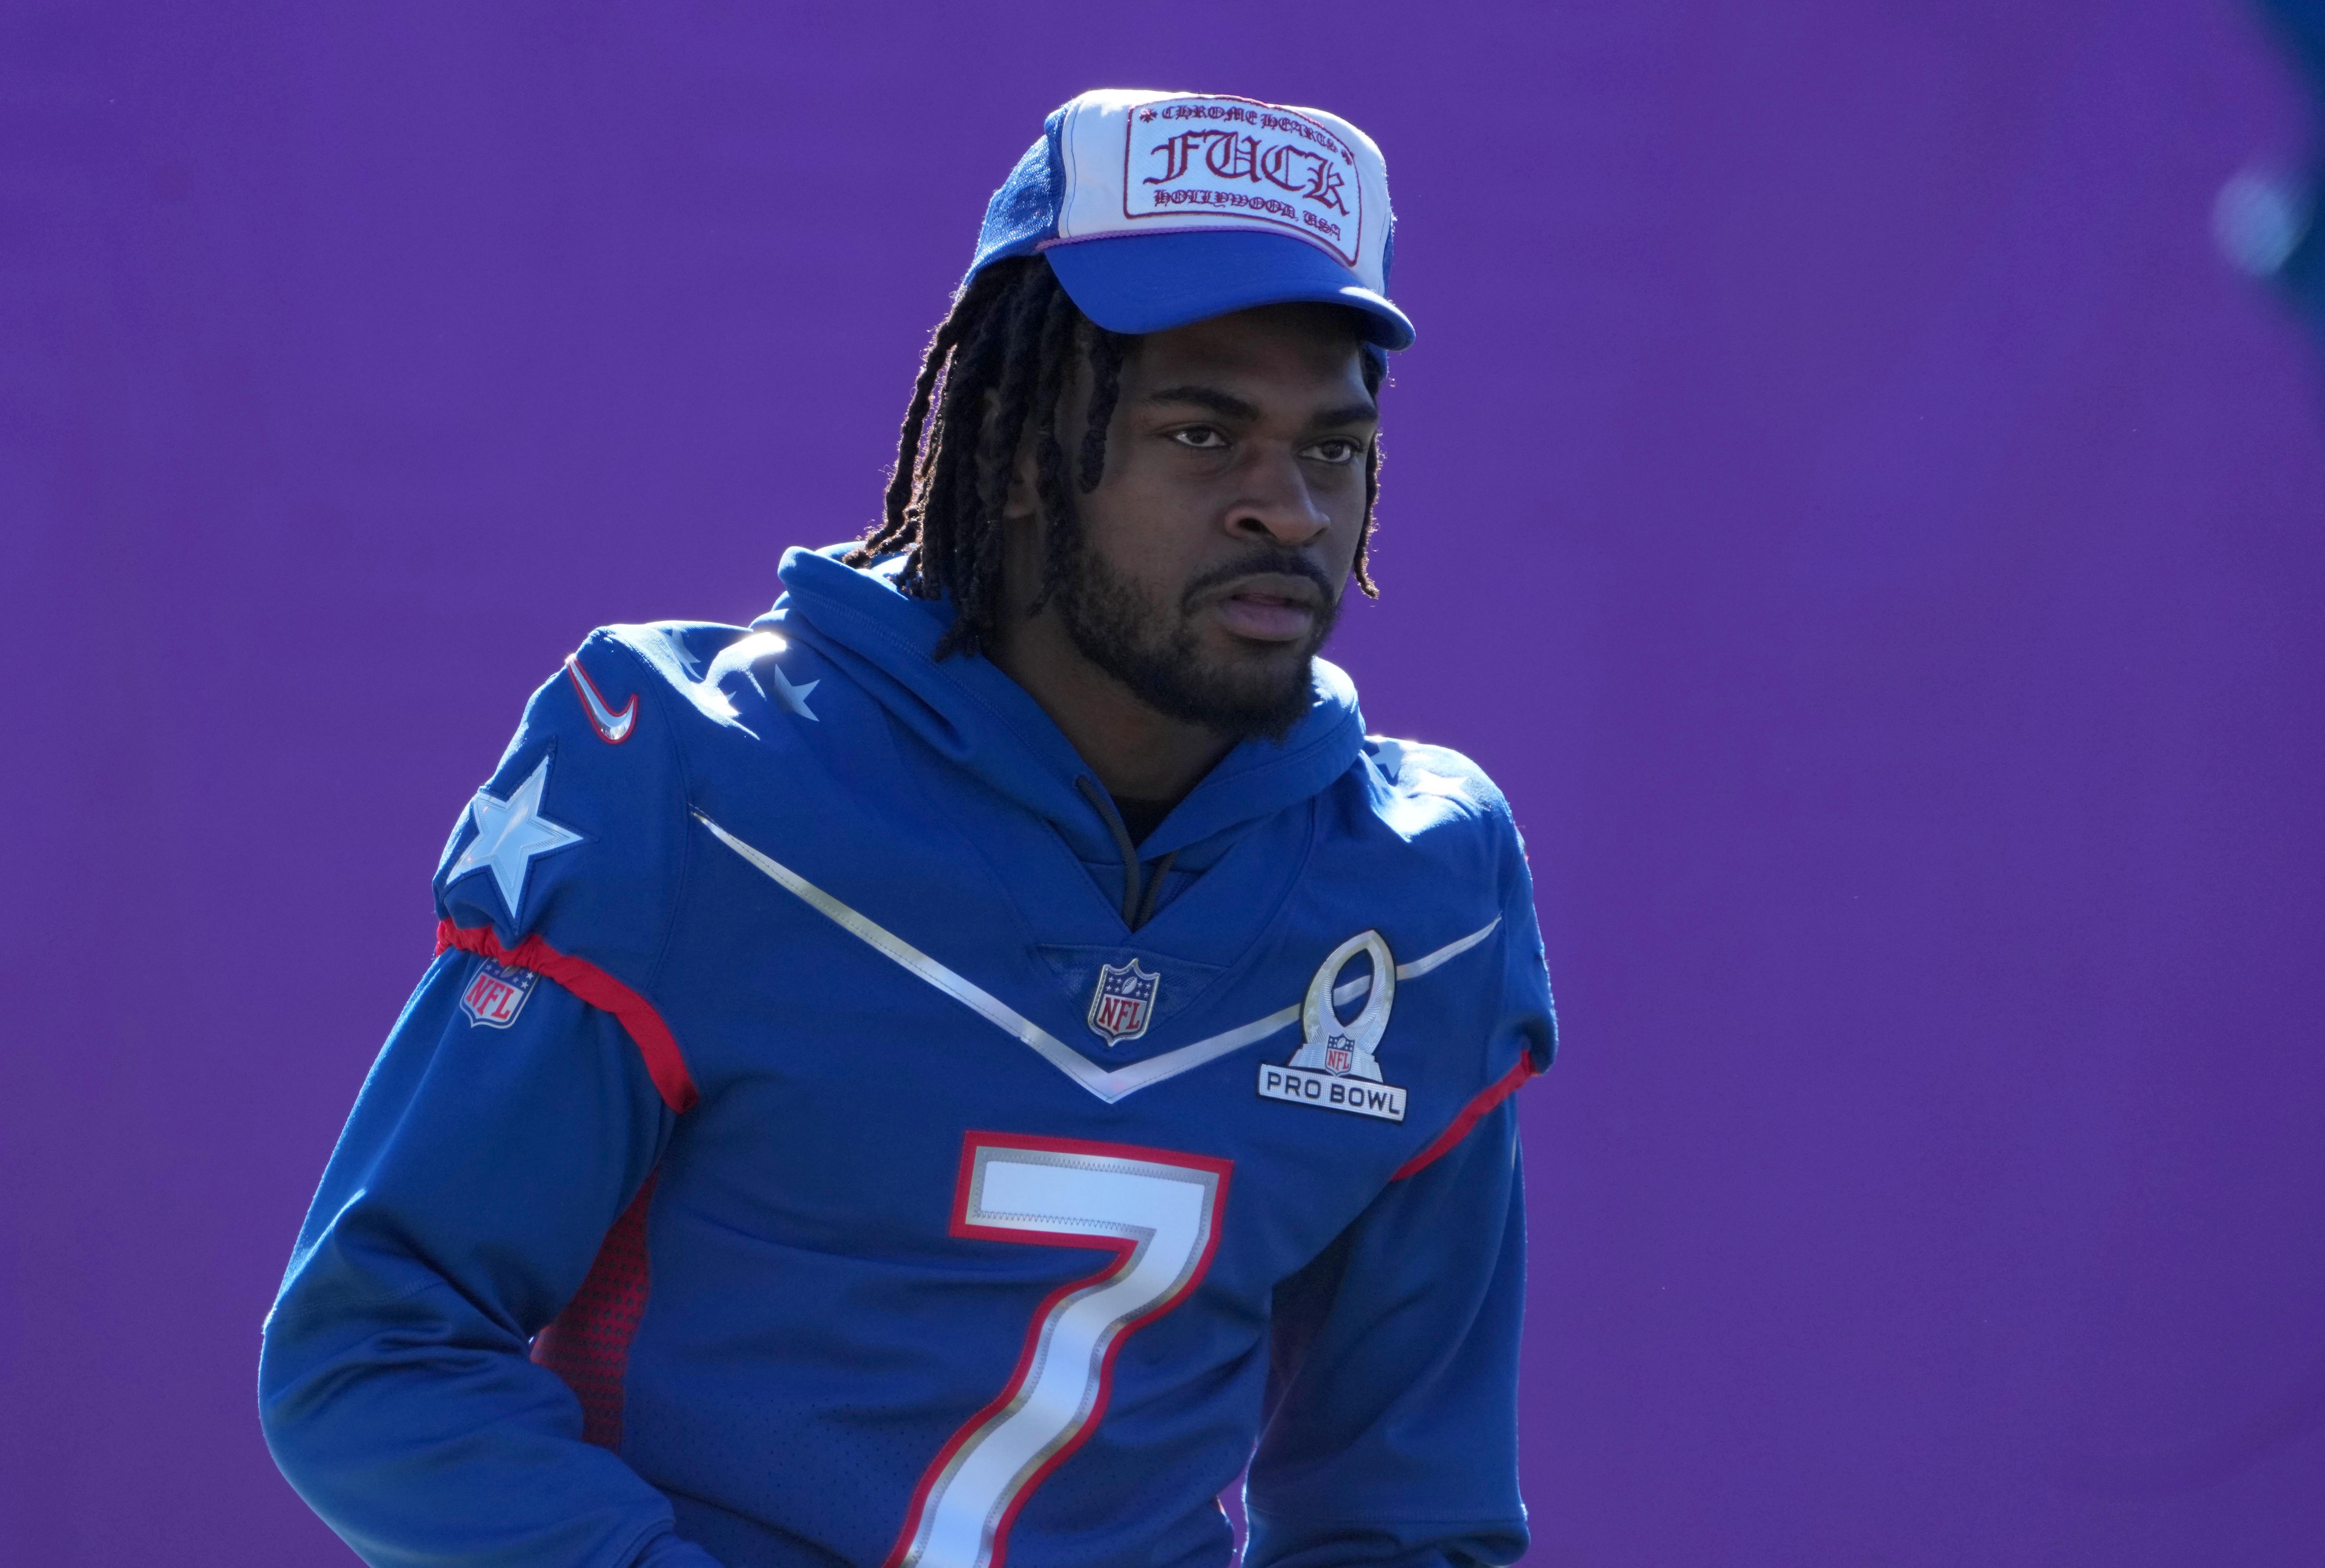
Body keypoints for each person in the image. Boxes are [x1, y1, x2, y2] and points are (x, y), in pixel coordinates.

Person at [260, 87, 1559, 1568]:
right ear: (1011, 450)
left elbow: (1405, 1512)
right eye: (1203, 433)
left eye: (1331, 449)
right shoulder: (697, 776)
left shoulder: (1430, 888)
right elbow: (374, 1349)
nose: (1289, 509)